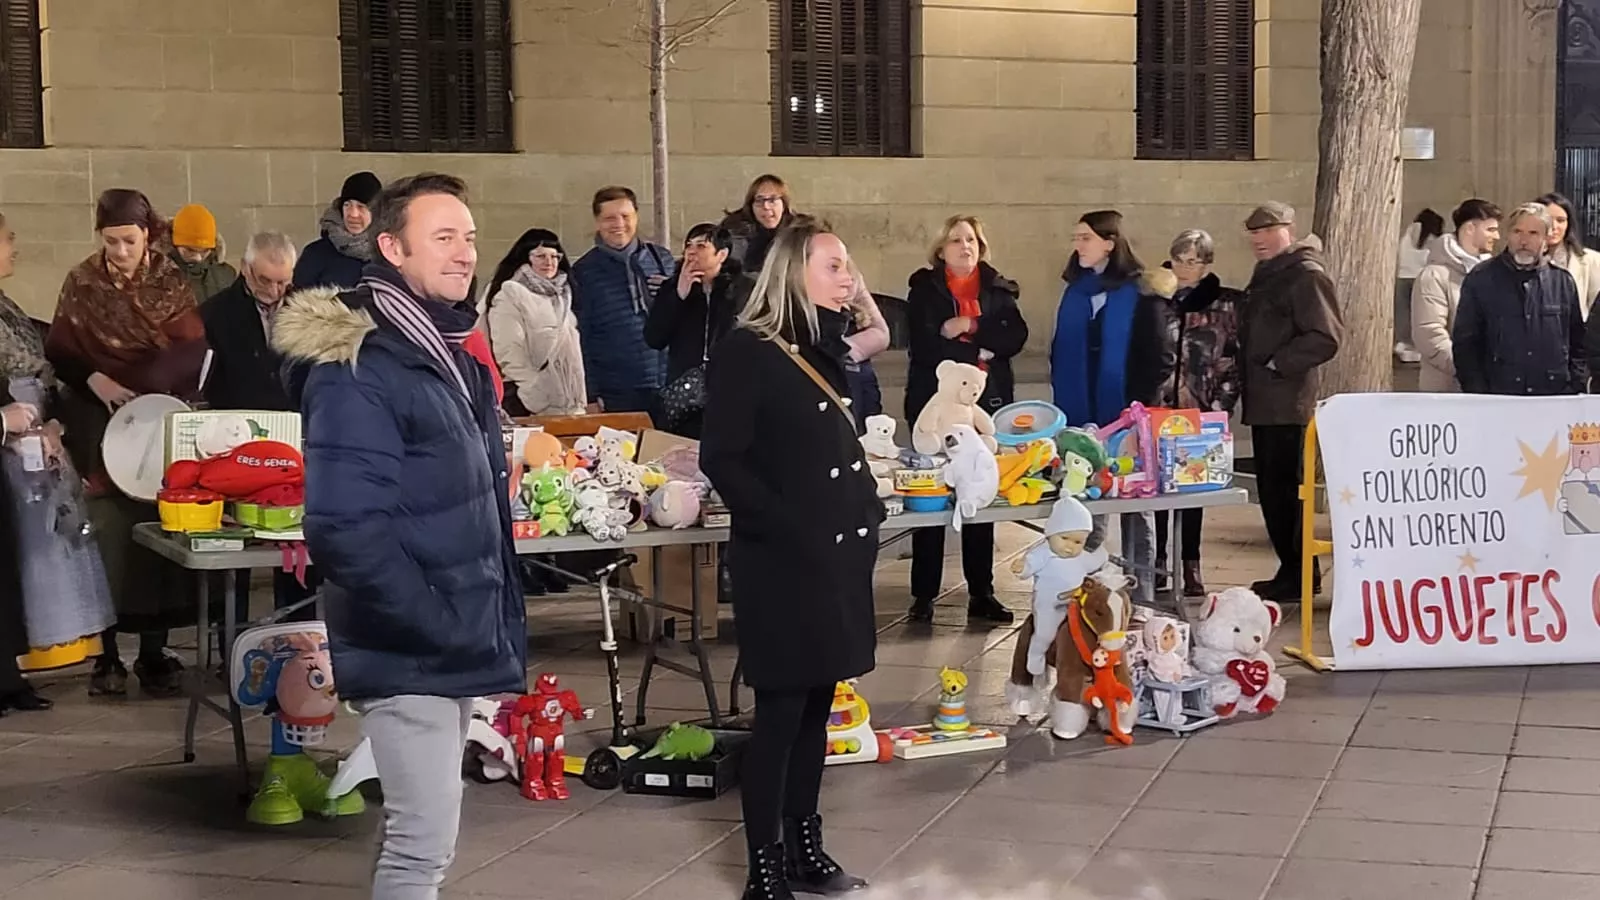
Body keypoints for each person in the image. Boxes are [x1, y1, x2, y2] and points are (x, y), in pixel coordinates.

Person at [273, 172, 527, 900]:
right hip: (408, 636)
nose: (463, 253)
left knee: (420, 835)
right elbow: (345, 527)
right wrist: (433, 619)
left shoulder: (438, 348)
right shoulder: (363, 365)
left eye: (470, 237)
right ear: (391, 247)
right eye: (442, 237)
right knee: (422, 848)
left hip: (441, 632)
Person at [700, 216, 882, 900]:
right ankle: (765, 867)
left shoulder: (825, 344)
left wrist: (862, 513)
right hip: (783, 560)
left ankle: (807, 848)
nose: (850, 278)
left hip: (835, 557)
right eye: (835, 266)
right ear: (794, 273)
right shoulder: (751, 349)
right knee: (779, 716)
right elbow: (724, 456)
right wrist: (780, 524)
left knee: (817, 710)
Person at [46, 188, 208, 698]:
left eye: (129, 241)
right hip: (97, 420)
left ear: (148, 235)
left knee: (155, 535)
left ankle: (156, 653)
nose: (119, 252)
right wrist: (97, 381)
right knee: (105, 539)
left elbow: (193, 349)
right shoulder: (82, 281)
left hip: (154, 421)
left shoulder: (169, 282)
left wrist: (159, 389)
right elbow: (61, 349)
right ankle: (108, 658)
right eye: (111, 242)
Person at [0, 213, 115, 715]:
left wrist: (49, 424)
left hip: (29, 434)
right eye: (7, 238)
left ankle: (11, 675)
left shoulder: (7, 306)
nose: (15, 246)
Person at [904, 215, 1028, 624]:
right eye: (956, 240)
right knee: (931, 496)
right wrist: (978, 354)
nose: (965, 246)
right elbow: (924, 346)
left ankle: (982, 592)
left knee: (979, 493)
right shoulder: (924, 290)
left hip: (985, 405)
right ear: (942, 250)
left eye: (971, 239)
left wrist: (969, 326)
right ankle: (923, 594)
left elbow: (1015, 337)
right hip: (933, 407)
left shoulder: (998, 288)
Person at [1050, 210, 1175, 608]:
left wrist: (1138, 413)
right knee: (1086, 496)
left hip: (1128, 412)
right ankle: (1088, 584)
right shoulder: (1075, 290)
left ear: (1109, 242)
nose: (1078, 244)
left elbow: (1159, 357)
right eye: (1076, 237)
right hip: (1081, 409)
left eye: (1085, 237)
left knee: (1136, 506)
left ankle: (1144, 592)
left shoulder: (1141, 293)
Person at [200, 230, 318, 619]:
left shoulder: (309, 308)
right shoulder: (215, 313)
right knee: (234, 548)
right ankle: (230, 638)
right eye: (264, 280)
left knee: (294, 539)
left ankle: (297, 635)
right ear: (244, 269)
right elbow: (203, 380)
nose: (274, 289)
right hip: (235, 439)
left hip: (295, 436)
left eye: (283, 280)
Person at [1239, 202, 1342, 603]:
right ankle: (1293, 571)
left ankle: (1299, 574)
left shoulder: (1304, 274)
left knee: (1287, 492)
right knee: (1274, 491)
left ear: (1289, 229)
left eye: (1267, 231)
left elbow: (1326, 336)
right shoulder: (1272, 273)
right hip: (1266, 399)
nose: (1258, 240)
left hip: (1287, 401)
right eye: (1253, 233)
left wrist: (1278, 362)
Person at [1154, 229, 1242, 598]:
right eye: (1180, 259)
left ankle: (1190, 563)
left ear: (1206, 264)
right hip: (1157, 408)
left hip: (1200, 409)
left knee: (1193, 490)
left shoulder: (1224, 305)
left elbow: (1231, 359)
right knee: (1156, 490)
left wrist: (1221, 404)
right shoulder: (1156, 299)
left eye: (1194, 261)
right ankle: (1157, 560)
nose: (1186, 267)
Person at [1454, 202, 1585, 396]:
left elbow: (1578, 344)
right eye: (1517, 232)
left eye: (1533, 233)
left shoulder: (1562, 282)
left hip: (1553, 397)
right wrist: (1478, 393)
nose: (1524, 241)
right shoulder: (1481, 278)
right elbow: (1465, 345)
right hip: (1498, 396)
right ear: (1508, 235)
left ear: (1547, 238)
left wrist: (1575, 386)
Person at [644, 223, 753, 439]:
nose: (691, 252)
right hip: (685, 395)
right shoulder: (673, 288)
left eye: (701, 246)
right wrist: (678, 296)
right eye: (688, 246)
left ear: (721, 254)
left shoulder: (744, 290)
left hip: (730, 391)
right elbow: (654, 338)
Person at [570, 186, 673, 414]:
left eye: (625, 216)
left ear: (636, 217)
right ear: (597, 222)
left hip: (666, 383)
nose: (618, 224)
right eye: (609, 218)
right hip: (616, 390)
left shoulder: (662, 260)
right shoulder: (584, 272)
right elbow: (581, 337)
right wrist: (591, 394)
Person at [484, 228, 587, 417]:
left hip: (569, 404)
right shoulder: (511, 293)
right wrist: (533, 392)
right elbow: (509, 350)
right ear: (526, 258)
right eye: (540, 256)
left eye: (554, 256)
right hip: (532, 405)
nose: (549, 262)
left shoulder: (565, 294)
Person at [1410, 199, 1500, 393]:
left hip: (1488, 390)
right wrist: (1470, 370)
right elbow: (1430, 336)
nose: (1497, 236)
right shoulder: (1434, 275)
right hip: (1447, 392)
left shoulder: (1494, 274)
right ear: (1470, 229)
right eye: (1490, 230)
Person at [293, 171, 381, 291]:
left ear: (376, 212)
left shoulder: (391, 255)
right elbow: (296, 302)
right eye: (347, 205)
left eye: (361, 207)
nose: (353, 214)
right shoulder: (315, 254)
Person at [1538, 192, 1600, 319]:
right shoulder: (1522, 259)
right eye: (1548, 219)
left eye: (1560, 220)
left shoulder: (1591, 260)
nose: (1554, 227)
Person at [720, 174, 795, 274]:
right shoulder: (735, 232)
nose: (766, 206)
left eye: (772, 200)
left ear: (784, 204)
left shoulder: (798, 233)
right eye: (759, 201)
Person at [1394, 208, 1443, 363]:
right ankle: (1416, 348)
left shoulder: (1409, 232)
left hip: (1402, 276)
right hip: (1420, 278)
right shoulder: (1432, 238)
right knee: (1420, 315)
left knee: (1403, 314)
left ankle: (1403, 345)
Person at [170, 203, 238, 302]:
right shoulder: (156, 275)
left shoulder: (226, 276)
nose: (198, 258)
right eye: (190, 250)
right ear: (173, 244)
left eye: (205, 251)